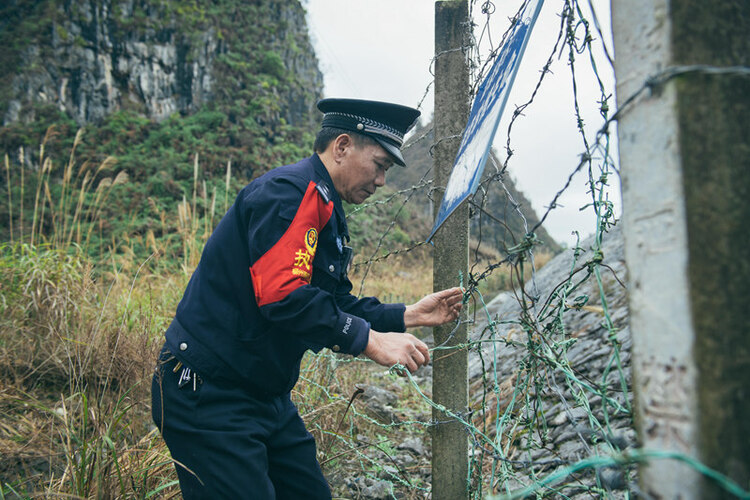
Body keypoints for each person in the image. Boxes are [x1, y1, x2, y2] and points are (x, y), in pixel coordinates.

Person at [151, 97, 463, 499]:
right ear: (343, 146)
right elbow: (283, 295)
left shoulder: (326, 207)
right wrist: (370, 341)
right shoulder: (289, 194)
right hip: (209, 394)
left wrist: (405, 315)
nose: (382, 180)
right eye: (380, 165)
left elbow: (331, 300)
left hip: (265, 396)